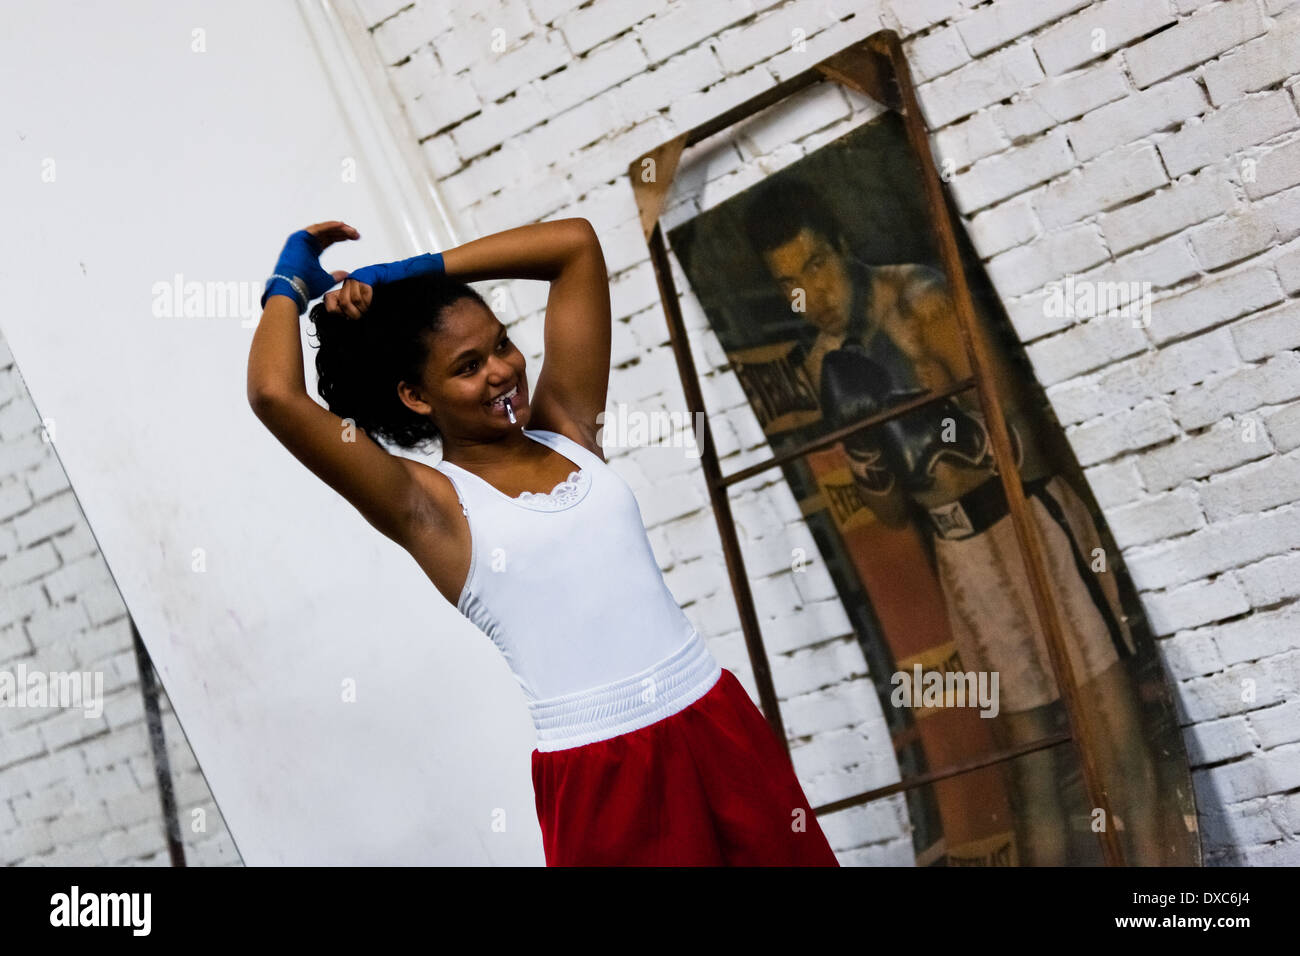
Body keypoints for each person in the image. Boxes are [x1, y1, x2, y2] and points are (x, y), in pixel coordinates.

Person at [246, 220, 839, 867]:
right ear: (417, 396)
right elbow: (275, 393)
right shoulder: (428, 506)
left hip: (714, 717)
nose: (503, 372)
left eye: (501, 345)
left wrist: (412, 272)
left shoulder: (565, 428)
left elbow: (576, 247)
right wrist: (287, 285)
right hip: (605, 774)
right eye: (469, 367)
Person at [743, 181, 1163, 865]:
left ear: (844, 248)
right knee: (1031, 774)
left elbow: (1021, 439)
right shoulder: (826, 364)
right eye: (788, 282)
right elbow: (887, 512)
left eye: (815, 265)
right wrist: (868, 442)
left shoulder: (923, 300)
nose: (809, 297)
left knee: (1112, 745)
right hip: (960, 550)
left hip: (1029, 523)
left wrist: (926, 412)